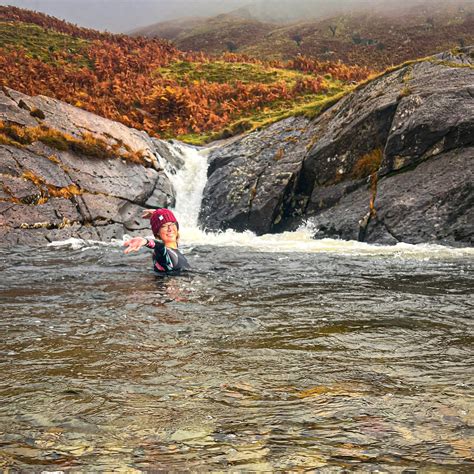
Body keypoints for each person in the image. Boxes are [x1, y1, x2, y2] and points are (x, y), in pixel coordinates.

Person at [123, 208, 190, 274]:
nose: (170, 229)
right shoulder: (162, 253)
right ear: (157, 232)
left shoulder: (174, 248)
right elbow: (159, 246)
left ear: (176, 226)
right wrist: (145, 241)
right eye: (164, 226)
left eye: (172, 224)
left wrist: (158, 214)